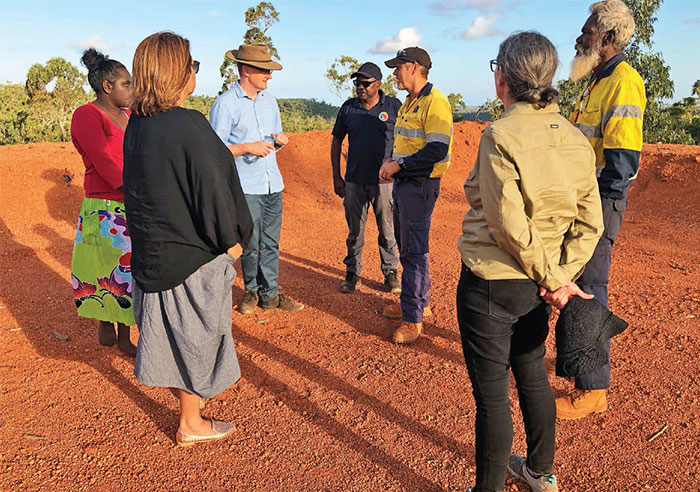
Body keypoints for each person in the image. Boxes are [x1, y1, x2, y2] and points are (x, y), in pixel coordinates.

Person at [456, 32, 603, 492]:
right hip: (539, 290)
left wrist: (551, 277)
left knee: (493, 397)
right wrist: (559, 278)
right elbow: (590, 222)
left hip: (492, 282)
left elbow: (506, 226)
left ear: (503, 78)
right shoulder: (577, 140)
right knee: (532, 373)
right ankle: (541, 473)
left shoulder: (499, 135)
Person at [123, 32, 253, 446]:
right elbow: (214, 189)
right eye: (191, 64)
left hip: (154, 254)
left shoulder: (137, 125)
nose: (194, 70)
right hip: (193, 255)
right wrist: (232, 240)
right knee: (198, 337)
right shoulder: (189, 124)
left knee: (173, 338)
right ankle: (191, 424)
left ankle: (189, 419)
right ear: (176, 73)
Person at [555, 0, 646, 420]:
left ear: (607, 38)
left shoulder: (623, 82)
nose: (580, 37)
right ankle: (577, 364)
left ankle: (593, 388)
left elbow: (622, 160)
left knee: (591, 288)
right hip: (580, 201)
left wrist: (596, 209)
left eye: (588, 31)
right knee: (571, 282)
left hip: (598, 204)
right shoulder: (597, 80)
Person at [210, 44, 303, 315]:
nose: (269, 76)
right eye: (264, 70)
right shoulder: (225, 104)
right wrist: (246, 147)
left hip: (272, 182)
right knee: (250, 242)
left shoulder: (269, 100)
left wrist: (279, 141)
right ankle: (251, 290)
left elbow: (274, 137)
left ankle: (270, 294)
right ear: (246, 70)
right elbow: (214, 151)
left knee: (271, 242)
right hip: (245, 187)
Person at [378, 47, 453, 344]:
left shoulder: (435, 102)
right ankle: (418, 303)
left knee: (413, 252)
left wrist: (400, 165)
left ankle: (413, 319)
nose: (394, 72)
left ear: (413, 67)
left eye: (398, 67)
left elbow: (437, 149)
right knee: (408, 247)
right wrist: (392, 164)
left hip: (420, 185)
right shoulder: (410, 102)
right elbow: (405, 145)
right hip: (405, 184)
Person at [69, 48, 137, 357]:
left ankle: (124, 333)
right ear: (107, 86)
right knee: (107, 268)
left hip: (131, 200)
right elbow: (105, 162)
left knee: (127, 270)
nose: (131, 89)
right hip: (104, 205)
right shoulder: (86, 115)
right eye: (126, 83)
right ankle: (109, 323)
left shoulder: (128, 115)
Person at [330, 62, 401, 294]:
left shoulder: (393, 106)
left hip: (385, 182)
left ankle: (390, 272)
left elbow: (405, 139)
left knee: (387, 229)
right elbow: (336, 141)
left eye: (365, 83)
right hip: (354, 181)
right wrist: (336, 177)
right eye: (357, 83)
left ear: (378, 84)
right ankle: (352, 273)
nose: (360, 87)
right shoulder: (348, 108)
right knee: (354, 231)